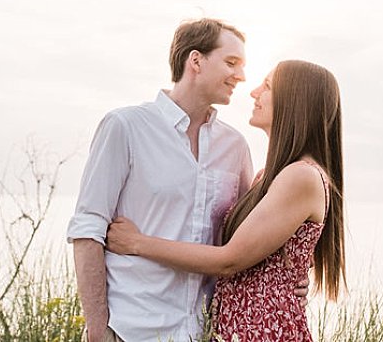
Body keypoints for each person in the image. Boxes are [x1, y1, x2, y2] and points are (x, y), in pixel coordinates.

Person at [106, 60, 345, 342]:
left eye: (267, 87)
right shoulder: (268, 176)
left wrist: (137, 243)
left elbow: (229, 260)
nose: (254, 92)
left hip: (266, 333)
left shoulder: (301, 177)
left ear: (295, 101)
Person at [66, 18, 255, 342]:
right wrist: (98, 331)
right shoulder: (125, 127)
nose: (241, 76)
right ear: (196, 60)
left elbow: (249, 239)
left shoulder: (235, 147)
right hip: (130, 330)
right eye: (231, 62)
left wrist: (291, 277)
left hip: (202, 333)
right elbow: (88, 230)